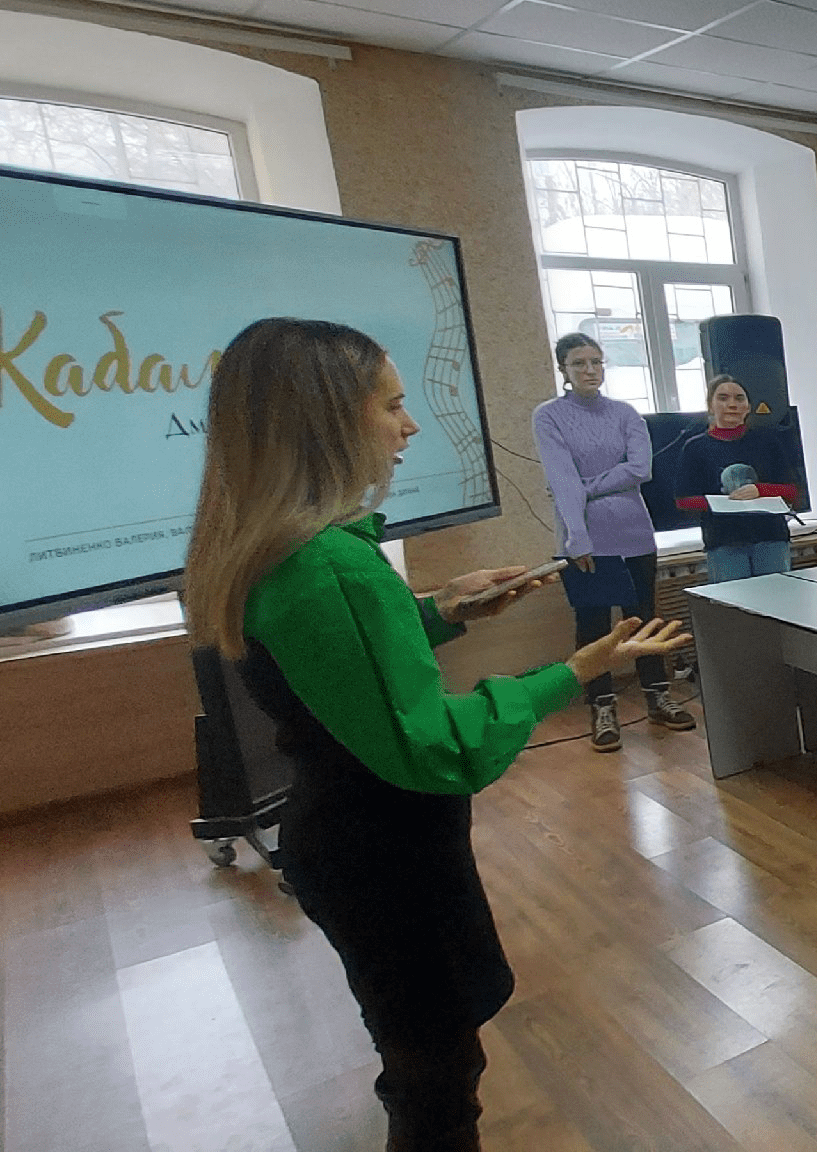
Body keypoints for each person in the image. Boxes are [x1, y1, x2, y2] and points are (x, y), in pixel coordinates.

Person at [184, 317, 693, 1148]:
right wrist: (573, 671)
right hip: (383, 854)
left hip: (354, 840)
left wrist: (440, 610)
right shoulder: (330, 565)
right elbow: (435, 744)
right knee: (436, 1080)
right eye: (391, 406)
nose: (410, 425)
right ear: (325, 421)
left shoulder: (277, 550)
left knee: (425, 1057)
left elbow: (340, 668)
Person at [531, 333, 690, 751]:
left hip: (635, 533)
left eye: (597, 362)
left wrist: (585, 486)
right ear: (564, 369)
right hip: (585, 539)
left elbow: (640, 469)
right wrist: (578, 535)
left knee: (644, 618)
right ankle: (602, 707)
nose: (590, 370)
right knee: (594, 626)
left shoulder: (625, 413)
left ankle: (658, 697)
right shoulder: (549, 416)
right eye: (579, 363)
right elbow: (561, 479)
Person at [674, 375, 800, 583]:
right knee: (731, 601)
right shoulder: (695, 448)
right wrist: (723, 503)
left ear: (748, 407)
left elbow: (792, 491)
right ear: (710, 406)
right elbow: (683, 501)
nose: (732, 404)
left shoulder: (768, 441)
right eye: (723, 398)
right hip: (724, 542)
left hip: (770, 538)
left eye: (739, 398)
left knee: (777, 596)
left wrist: (760, 491)